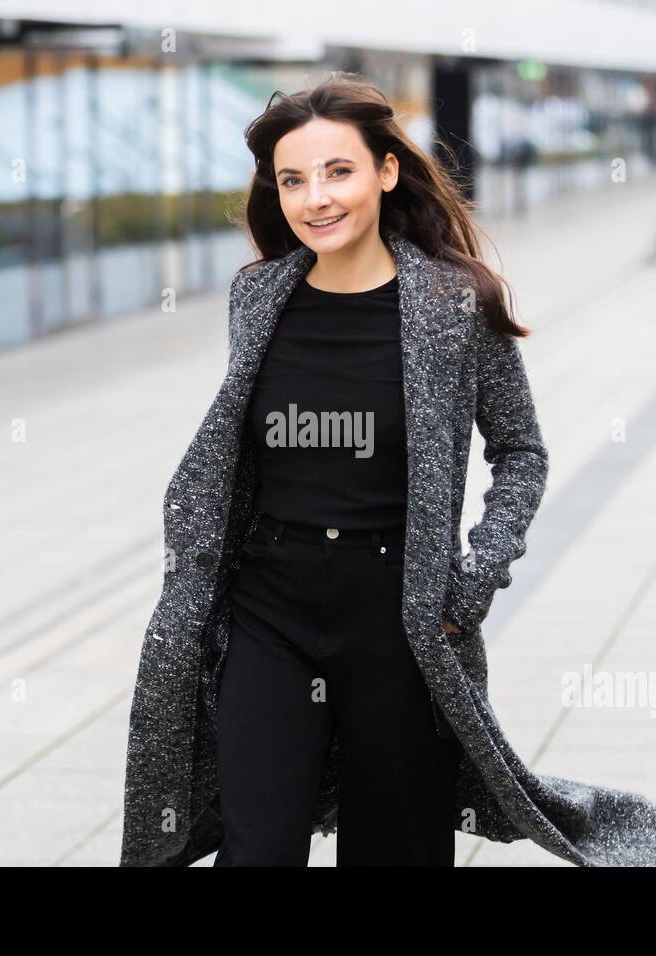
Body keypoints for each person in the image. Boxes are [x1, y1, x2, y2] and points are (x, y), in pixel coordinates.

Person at [213, 75, 529, 866]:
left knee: (397, 850)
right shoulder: (257, 298)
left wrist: (472, 580)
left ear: (386, 172)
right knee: (255, 850)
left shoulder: (455, 305)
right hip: (270, 608)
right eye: (293, 180)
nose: (315, 198)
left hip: (398, 615)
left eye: (337, 171)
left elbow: (521, 451)